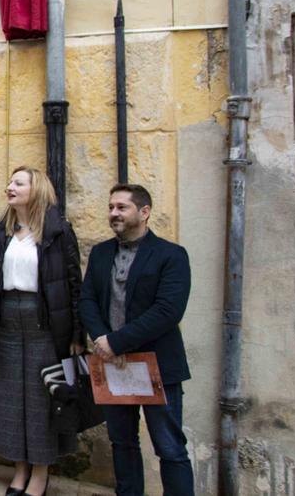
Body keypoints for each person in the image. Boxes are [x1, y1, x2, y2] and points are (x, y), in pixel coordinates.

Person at [0, 166, 83, 496]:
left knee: (40, 403)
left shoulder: (58, 231)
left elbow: (74, 285)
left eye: (18, 183)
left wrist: (78, 334)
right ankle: (19, 470)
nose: (9, 187)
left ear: (36, 190)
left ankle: (40, 473)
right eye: (9, 182)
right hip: (5, 323)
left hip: (44, 327)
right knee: (9, 401)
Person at [79, 184, 194, 496]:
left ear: (144, 212)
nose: (114, 213)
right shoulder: (102, 253)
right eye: (111, 207)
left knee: (170, 447)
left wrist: (117, 342)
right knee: (122, 442)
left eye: (122, 207)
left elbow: (168, 310)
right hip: (112, 364)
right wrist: (102, 339)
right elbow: (87, 299)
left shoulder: (171, 255)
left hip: (156, 364)